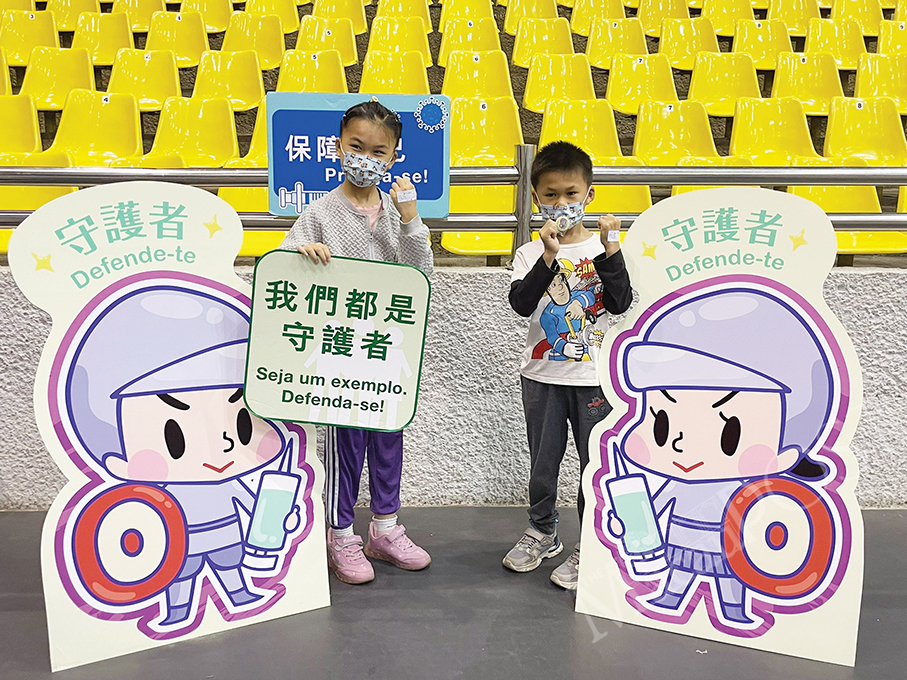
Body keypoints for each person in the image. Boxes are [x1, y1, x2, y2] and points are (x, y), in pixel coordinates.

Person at [280, 99, 434, 585]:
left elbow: (421, 274)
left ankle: (385, 529)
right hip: (339, 354)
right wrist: (302, 252)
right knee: (344, 447)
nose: (365, 159)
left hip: (386, 351)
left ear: (394, 156)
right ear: (339, 147)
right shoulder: (319, 212)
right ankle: (341, 533)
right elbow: (283, 271)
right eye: (356, 147)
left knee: (389, 440)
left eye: (378, 151)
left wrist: (411, 220)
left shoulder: (396, 213)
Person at [503, 141, 633, 590]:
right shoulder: (529, 252)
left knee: (594, 463)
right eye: (551, 194)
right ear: (536, 198)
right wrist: (548, 256)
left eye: (571, 194)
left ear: (589, 195)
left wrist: (612, 250)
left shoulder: (605, 248)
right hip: (541, 377)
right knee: (543, 462)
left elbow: (620, 302)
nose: (561, 203)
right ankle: (543, 531)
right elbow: (522, 304)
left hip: (594, 378)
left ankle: (593, 542)